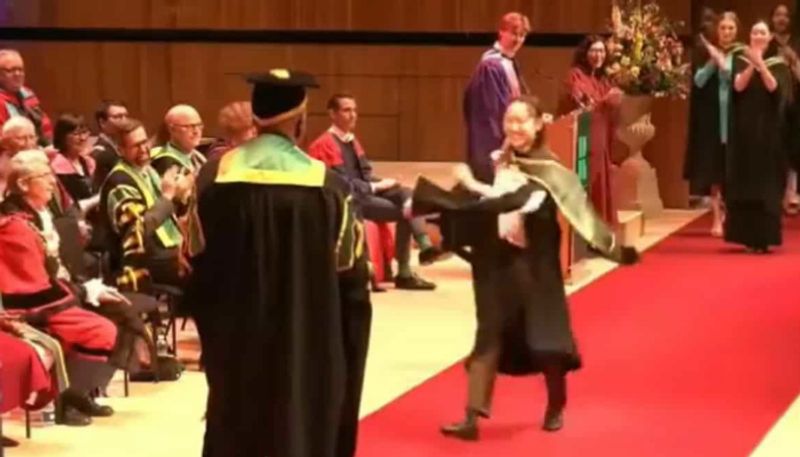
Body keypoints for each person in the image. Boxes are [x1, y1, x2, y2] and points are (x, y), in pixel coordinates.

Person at [411, 95, 638, 439]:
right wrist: (445, 242)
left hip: (534, 268)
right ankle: (471, 418)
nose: (514, 127)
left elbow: (513, 201)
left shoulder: (550, 172)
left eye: (522, 121)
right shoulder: (495, 163)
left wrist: (471, 183)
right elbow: (471, 207)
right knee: (488, 336)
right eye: (509, 121)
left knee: (546, 340)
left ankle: (556, 405)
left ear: (537, 125)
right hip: (495, 264)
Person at [187, 68, 371, 457]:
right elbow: (350, 275)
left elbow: (193, 259)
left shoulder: (212, 177)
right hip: (304, 342)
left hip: (237, 341)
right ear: (300, 122)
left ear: (256, 117)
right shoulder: (327, 187)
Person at [0, 150, 121, 425]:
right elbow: (30, 284)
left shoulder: (38, 214)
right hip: (28, 305)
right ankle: (67, 400)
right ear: (22, 185)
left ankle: (81, 394)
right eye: (44, 176)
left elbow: (54, 267)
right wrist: (82, 294)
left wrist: (86, 288)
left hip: (55, 292)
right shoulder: (14, 227)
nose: (53, 182)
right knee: (102, 330)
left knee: (118, 315)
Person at [309, 93, 440, 289]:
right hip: (351, 200)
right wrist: (375, 186)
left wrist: (386, 183)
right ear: (332, 114)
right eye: (346, 110)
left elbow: (366, 173)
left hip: (366, 192)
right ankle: (405, 271)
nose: (353, 115)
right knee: (407, 212)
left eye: (354, 110)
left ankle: (424, 245)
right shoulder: (325, 144)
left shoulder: (352, 140)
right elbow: (341, 184)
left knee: (406, 193)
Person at [100, 119, 193, 291]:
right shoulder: (119, 183)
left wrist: (181, 196)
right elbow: (138, 229)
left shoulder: (148, 171)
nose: (143, 149)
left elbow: (168, 212)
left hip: (166, 249)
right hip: (141, 259)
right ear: (120, 150)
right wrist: (168, 196)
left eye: (144, 142)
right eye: (135, 146)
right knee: (209, 271)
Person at [725, 20, 792, 253]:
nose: (758, 35)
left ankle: (764, 238)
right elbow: (738, 86)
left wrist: (761, 64)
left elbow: (775, 88)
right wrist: (752, 63)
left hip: (769, 135)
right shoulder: (739, 61)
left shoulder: (779, 65)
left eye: (763, 32)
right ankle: (746, 236)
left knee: (766, 185)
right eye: (755, 32)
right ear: (750, 36)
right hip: (745, 133)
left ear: (770, 37)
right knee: (745, 182)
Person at [685, 11, 744, 237]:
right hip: (714, 119)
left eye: (731, 28)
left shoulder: (742, 54)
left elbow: (732, 76)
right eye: (723, 28)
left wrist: (722, 61)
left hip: (736, 119)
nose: (727, 32)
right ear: (717, 30)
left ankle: (732, 215)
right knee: (716, 172)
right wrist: (713, 58)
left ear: (737, 31)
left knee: (733, 171)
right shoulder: (704, 53)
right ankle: (717, 218)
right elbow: (699, 81)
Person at [559, 35, 623, 225]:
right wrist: (605, 102)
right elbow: (580, 105)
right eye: (594, 50)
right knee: (586, 181)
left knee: (600, 182)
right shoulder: (575, 75)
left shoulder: (603, 79)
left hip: (601, 139)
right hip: (583, 140)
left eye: (602, 51)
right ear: (585, 53)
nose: (598, 55)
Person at [464, 12, 531, 184]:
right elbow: (491, 111)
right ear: (501, 32)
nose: (518, 39)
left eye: (522, 35)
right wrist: (506, 142)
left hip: (510, 137)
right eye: (514, 33)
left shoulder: (509, 62)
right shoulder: (491, 66)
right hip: (494, 143)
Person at [771, 3, 800, 214]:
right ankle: (774, 195)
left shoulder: (797, 43)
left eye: (785, 16)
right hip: (771, 103)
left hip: (796, 102)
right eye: (777, 15)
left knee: (794, 148)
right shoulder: (766, 43)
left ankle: (791, 195)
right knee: (774, 148)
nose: (781, 19)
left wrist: (794, 61)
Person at [0, 50, 52, 146]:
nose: (17, 74)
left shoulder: (28, 94)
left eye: (20, 69)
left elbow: (45, 125)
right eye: (11, 70)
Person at [50, 113, 98, 210]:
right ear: (62, 137)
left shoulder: (89, 162)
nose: (82, 138)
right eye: (76, 134)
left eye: (85, 132)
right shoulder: (55, 167)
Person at [150, 104, 207, 176]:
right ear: (171, 129)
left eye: (199, 125)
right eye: (188, 126)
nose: (196, 131)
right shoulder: (166, 162)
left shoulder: (198, 157)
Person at [91, 100, 129, 190]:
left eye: (126, 116)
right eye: (118, 117)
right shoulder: (99, 152)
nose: (125, 121)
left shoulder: (122, 147)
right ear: (102, 122)